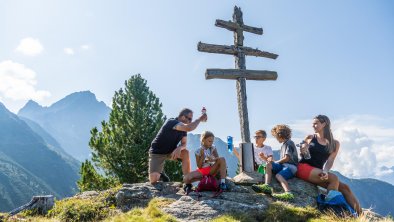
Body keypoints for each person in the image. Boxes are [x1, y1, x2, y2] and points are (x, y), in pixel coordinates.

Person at [296, 114, 362, 214]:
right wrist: (303, 149)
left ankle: (362, 216)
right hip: (303, 168)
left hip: (317, 172)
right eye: (312, 124)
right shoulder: (310, 137)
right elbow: (303, 154)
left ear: (324, 124)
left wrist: (325, 171)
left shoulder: (335, 143)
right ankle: (331, 209)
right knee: (334, 178)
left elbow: (330, 160)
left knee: (345, 188)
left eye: (315, 124)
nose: (313, 126)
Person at [148, 108, 207, 184]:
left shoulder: (183, 130)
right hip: (157, 152)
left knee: (185, 152)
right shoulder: (172, 122)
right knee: (153, 180)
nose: (190, 121)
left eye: (191, 120)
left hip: (170, 151)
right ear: (182, 117)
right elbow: (189, 128)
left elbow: (184, 143)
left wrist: (179, 148)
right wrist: (200, 119)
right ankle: (160, 173)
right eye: (189, 119)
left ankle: (187, 180)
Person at [252, 124, 298, 201]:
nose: (276, 138)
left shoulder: (289, 143)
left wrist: (276, 162)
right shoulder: (284, 144)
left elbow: (287, 158)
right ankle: (267, 186)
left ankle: (288, 193)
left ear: (280, 135)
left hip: (290, 167)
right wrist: (271, 161)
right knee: (268, 164)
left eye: (276, 136)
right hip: (283, 165)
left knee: (279, 176)